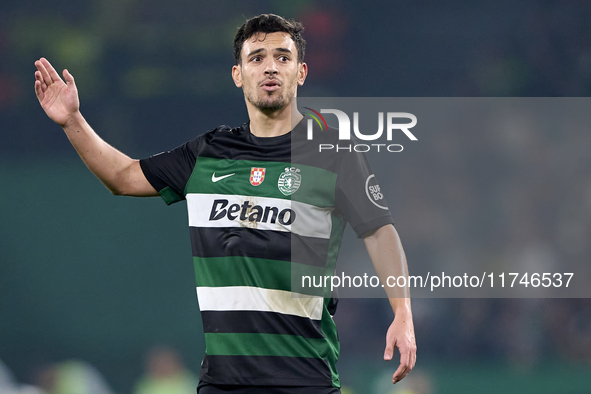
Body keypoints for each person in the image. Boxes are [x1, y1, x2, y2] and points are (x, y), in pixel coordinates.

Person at [34, 13, 416, 394]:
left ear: (301, 72)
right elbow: (122, 177)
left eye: (283, 58)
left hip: (305, 381)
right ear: (238, 74)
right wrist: (72, 121)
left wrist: (402, 312)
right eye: (257, 58)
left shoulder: (334, 154)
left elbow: (379, 231)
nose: (270, 68)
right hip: (223, 384)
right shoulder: (207, 153)